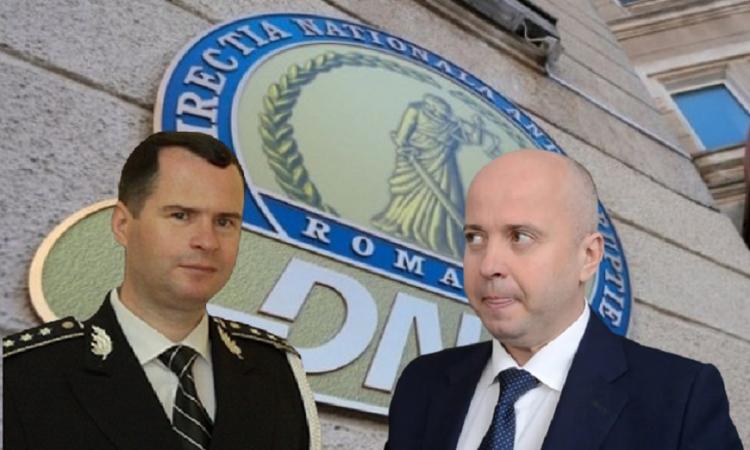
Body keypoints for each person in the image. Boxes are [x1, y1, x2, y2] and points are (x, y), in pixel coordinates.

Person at [386, 149, 742, 450]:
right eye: (475, 238)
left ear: (588, 256)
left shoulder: (681, 398)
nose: (489, 265)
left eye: (520, 236)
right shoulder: (422, 384)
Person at [3, 132, 320, 450]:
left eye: (224, 222)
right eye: (181, 216)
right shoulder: (24, 375)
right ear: (123, 225)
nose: (207, 241)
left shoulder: (277, 373)